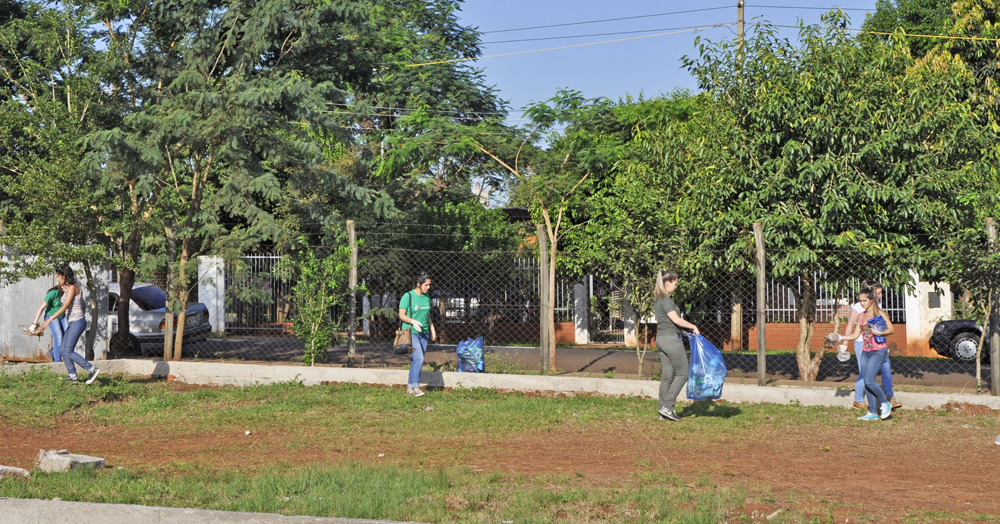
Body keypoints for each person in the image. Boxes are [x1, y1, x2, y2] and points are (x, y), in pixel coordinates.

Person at [833, 287, 894, 420]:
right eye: (860, 301)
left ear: (871, 300)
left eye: (864, 300)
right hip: (866, 351)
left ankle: (885, 403)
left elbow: (891, 329)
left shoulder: (879, 313)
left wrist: (879, 332)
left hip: (879, 351)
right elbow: (856, 335)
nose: (861, 303)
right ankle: (872, 412)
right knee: (867, 382)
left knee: (869, 380)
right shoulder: (861, 315)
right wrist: (840, 337)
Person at [39, 265, 100, 384]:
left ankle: (91, 369)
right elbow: (83, 304)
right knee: (63, 349)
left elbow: (65, 306)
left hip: (77, 322)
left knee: (67, 350)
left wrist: (49, 319)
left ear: (64, 276)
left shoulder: (72, 287)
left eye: (58, 276)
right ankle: (72, 376)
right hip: (74, 322)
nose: (57, 279)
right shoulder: (70, 288)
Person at [843, 281, 900, 410]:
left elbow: (887, 328)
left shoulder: (877, 307)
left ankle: (888, 398)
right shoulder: (860, 308)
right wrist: (843, 342)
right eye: (878, 292)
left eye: (881, 292)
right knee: (866, 375)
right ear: (871, 293)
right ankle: (860, 401)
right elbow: (852, 326)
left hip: (878, 346)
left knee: (885, 370)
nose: (881, 295)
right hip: (862, 344)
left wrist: (880, 336)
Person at [653, 270, 700, 421]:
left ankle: (662, 411)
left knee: (667, 376)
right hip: (671, 341)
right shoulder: (666, 301)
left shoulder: (658, 300)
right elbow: (676, 320)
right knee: (683, 373)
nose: (676, 286)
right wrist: (693, 327)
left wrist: (685, 333)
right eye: (675, 283)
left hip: (661, 339)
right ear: (667, 283)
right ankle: (667, 407)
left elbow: (668, 323)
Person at [398, 272, 436, 397]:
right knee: (419, 358)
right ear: (418, 284)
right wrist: (413, 321)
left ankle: (409, 388)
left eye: (429, 285)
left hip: (424, 333)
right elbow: (401, 315)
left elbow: (427, 314)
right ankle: (416, 388)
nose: (428, 287)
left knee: (416, 360)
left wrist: (432, 328)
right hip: (411, 332)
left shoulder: (426, 296)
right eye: (426, 285)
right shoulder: (408, 296)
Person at [30, 285, 67, 363]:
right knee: (59, 337)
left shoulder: (68, 292)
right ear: (62, 285)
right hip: (51, 316)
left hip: (62, 316)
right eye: (66, 285)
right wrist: (34, 323)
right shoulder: (53, 293)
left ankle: (52, 353)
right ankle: (58, 362)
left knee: (66, 338)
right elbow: (41, 308)